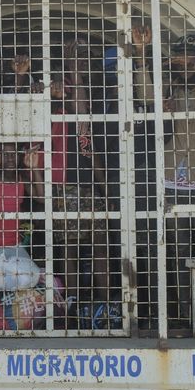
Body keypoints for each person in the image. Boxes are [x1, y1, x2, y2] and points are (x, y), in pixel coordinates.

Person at [133, 27, 195, 323]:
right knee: (175, 253)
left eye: (185, 55)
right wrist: (141, 54)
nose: (180, 60)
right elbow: (145, 94)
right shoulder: (169, 87)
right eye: (178, 55)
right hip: (171, 182)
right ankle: (180, 314)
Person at [51, 36, 116, 330]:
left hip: (89, 182)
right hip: (67, 184)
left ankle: (101, 304)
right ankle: (74, 302)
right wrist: (71, 70)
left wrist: (105, 187)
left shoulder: (99, 93)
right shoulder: (56, 93)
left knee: (99, 247)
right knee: (71, 248)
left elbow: (87, 138)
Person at [0, 143, 44, 265]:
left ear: (19, 156)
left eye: (13, 154)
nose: (10, 158)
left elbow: (41, 198)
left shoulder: (21, 178)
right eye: (5, 154)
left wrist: (34, 168)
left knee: (30, 276)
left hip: (15, 245)